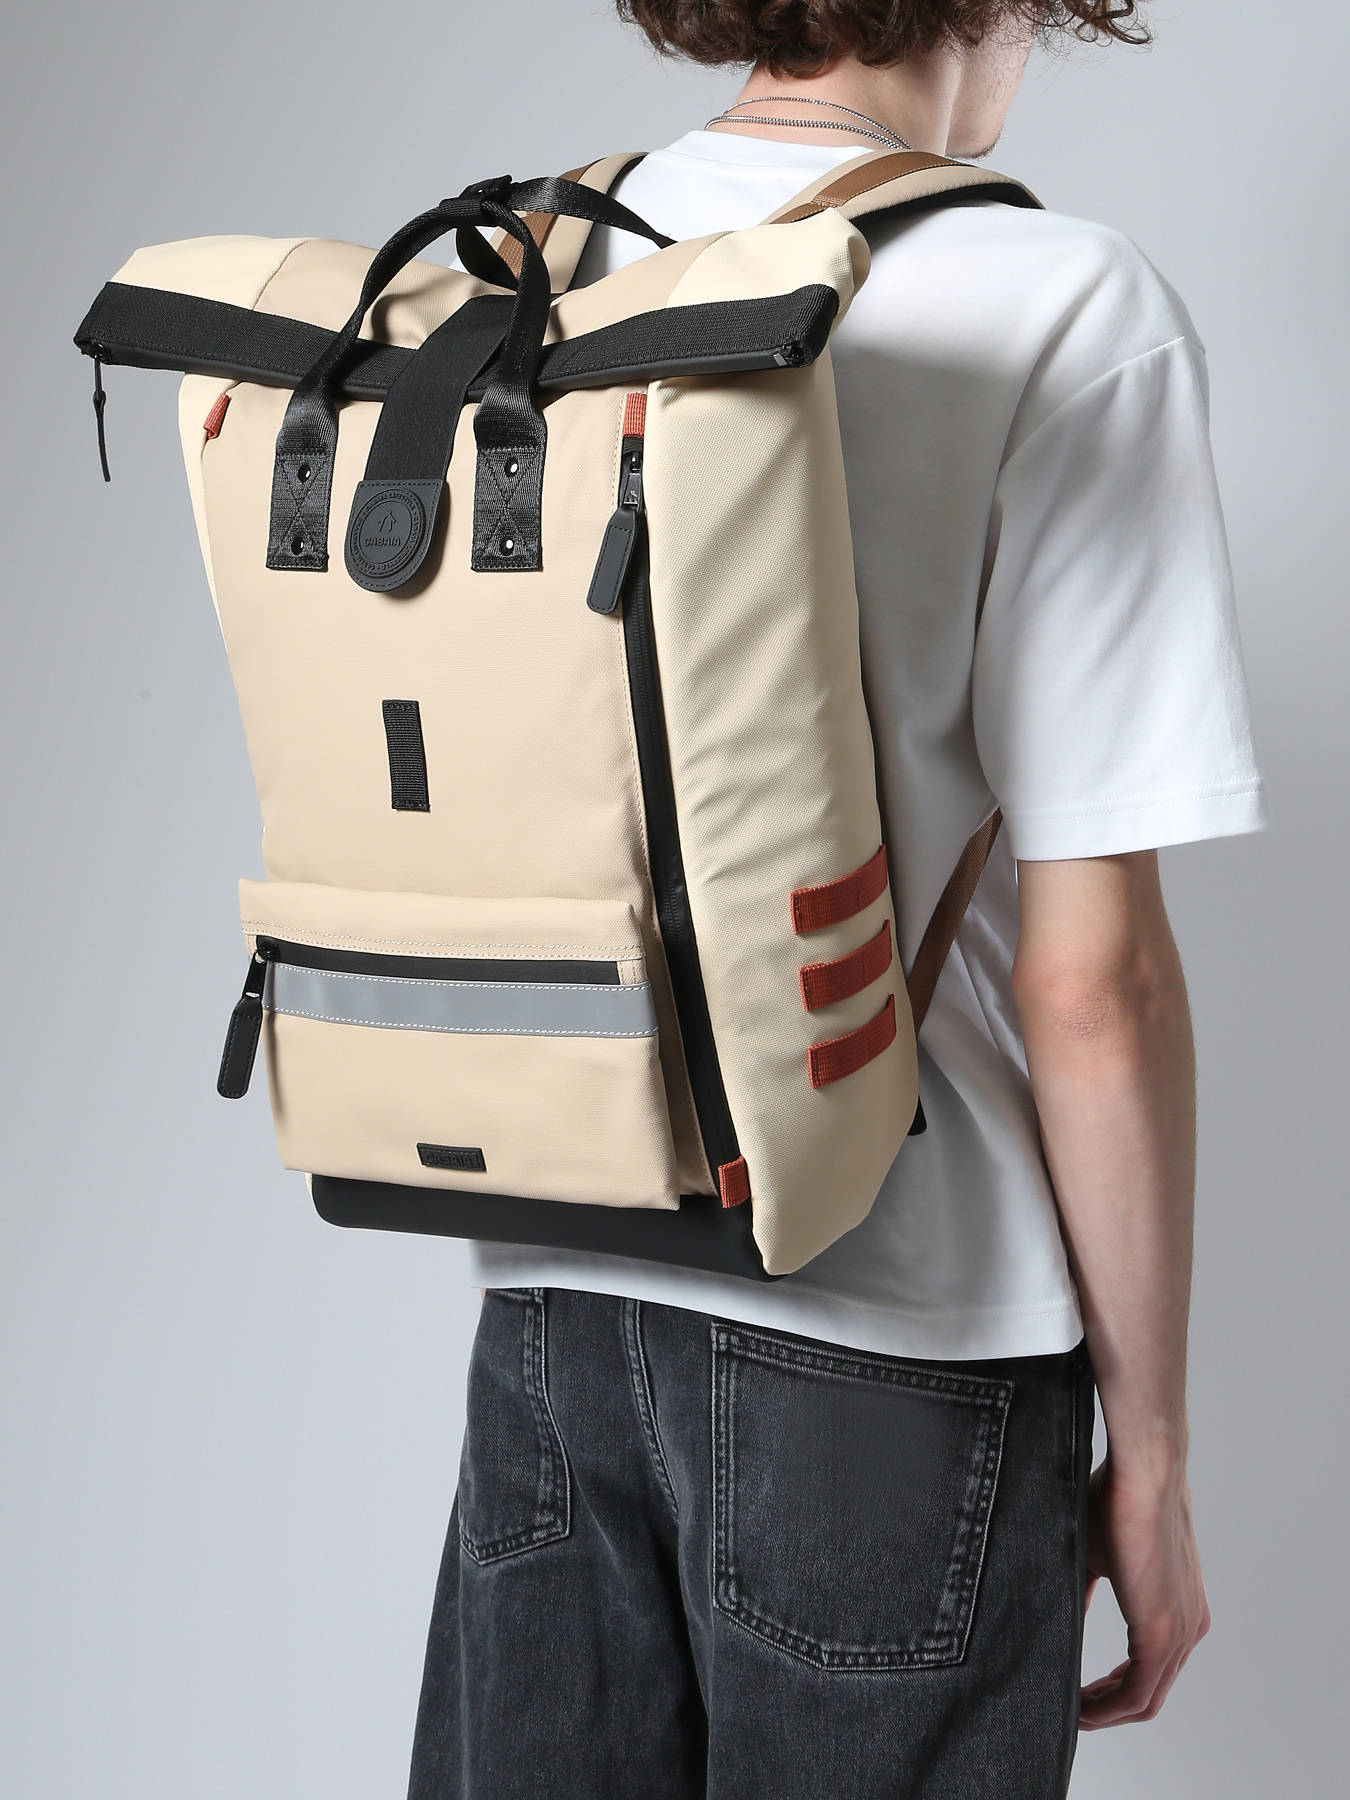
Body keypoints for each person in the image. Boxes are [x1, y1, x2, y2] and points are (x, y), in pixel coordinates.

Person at [408, 5, 1265, 1795]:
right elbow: (1091, 985)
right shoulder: (1058, 301)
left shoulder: (535, 261)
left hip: (555, 1289)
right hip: (900, 1323)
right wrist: (1154, 1452)